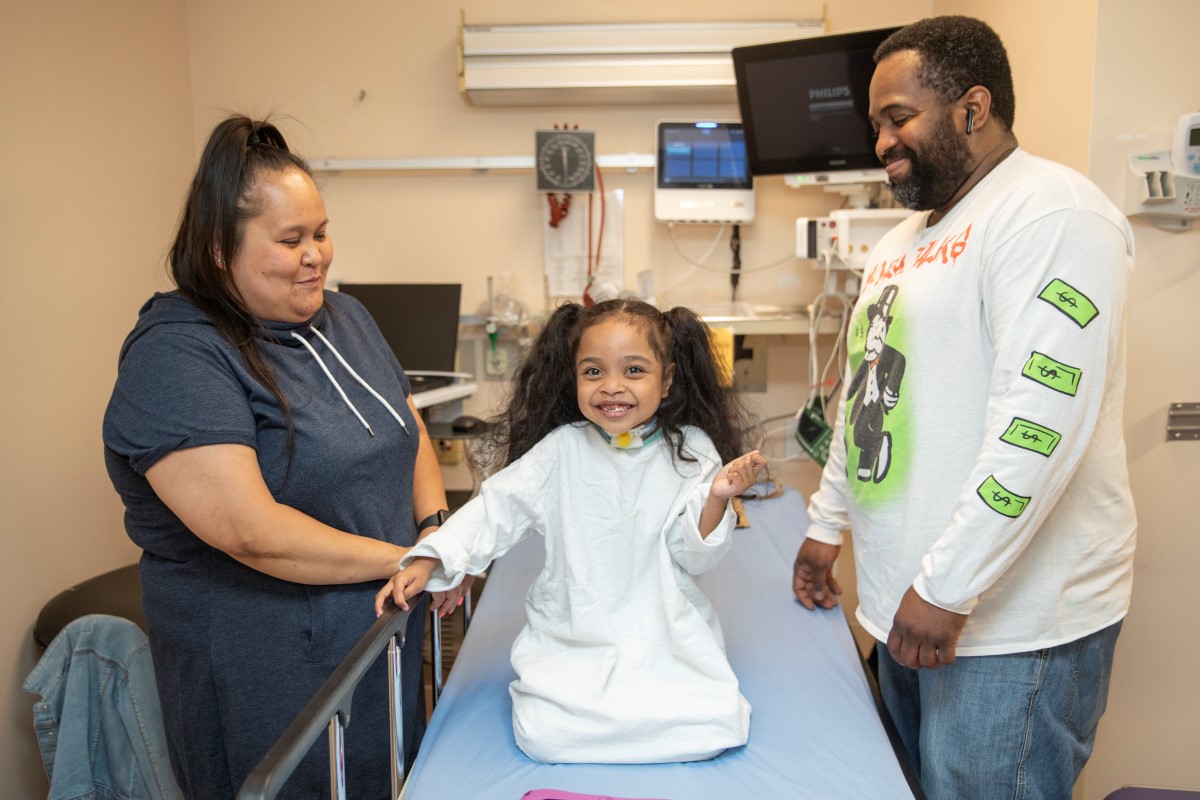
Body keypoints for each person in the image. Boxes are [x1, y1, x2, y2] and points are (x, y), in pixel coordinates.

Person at [791, 16, 1136, 800]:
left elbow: (1039, 429)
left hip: (1010, 627)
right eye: (875, 123)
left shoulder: (1052, 215)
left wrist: (945, 588)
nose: (880, 142)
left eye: (897, 117)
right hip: (905, 606)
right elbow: (865, 399)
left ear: (973, 108)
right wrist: (825, 526)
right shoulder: (897, 245)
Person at [103, 115, 466, 799]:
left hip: (374, 639)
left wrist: (435, 526)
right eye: (291, 239)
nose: (316, 256)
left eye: (321, 232)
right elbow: (250, 530)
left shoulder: (345, 317)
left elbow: (404, 420)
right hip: (267, 677)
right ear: (218, 248)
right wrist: (410, 561)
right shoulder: (177, 356)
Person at [375, 299, 766, 764]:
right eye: (593, 372)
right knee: (547, 733)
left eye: (634, 370)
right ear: (574, 378)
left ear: (668, 380)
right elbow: (495, 510)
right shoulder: (561, 450)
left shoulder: (692, 452)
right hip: (576, 633)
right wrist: (432, 557)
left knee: (709, 722)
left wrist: (717, 496)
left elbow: (695, 555)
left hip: (663, 635)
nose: (612, 387)